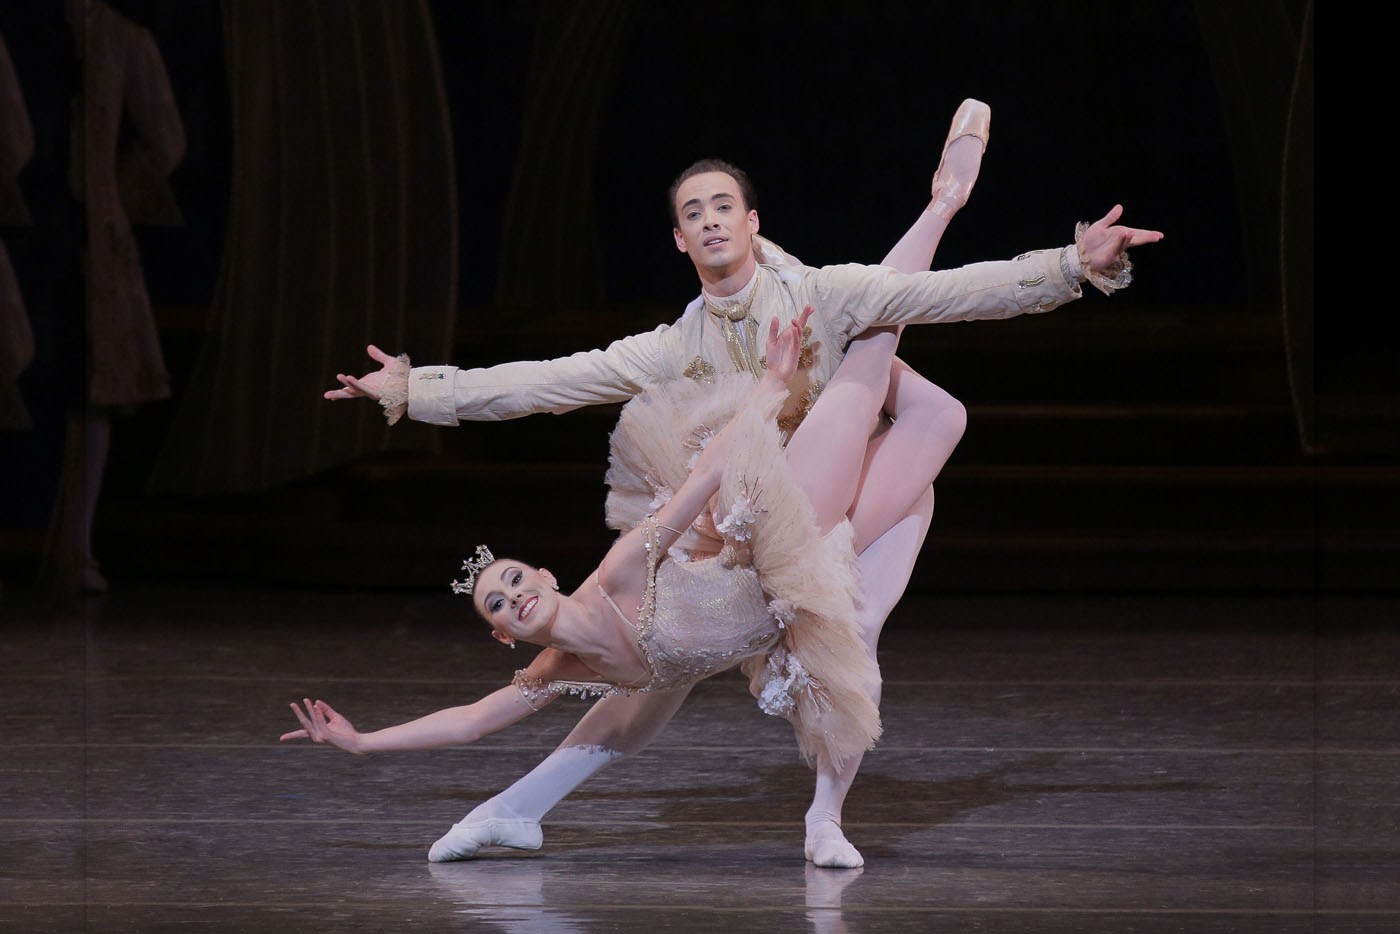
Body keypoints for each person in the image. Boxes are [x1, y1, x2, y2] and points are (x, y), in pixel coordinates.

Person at [323, 100, 1163, 866]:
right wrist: (415, 390)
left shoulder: (817, 293)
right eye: (693, 213)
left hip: (813, 489)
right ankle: (517, 807)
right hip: (736, 531)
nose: (710, 219)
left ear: (753, 224)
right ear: (678, 241)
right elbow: (543, 381)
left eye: (724, 205)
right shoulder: (674, 346)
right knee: (650, 670)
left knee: (892, 451)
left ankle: (825, 819)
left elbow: (944, 294)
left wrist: (1070, 266)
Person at [287, 307, 963, 857]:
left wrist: (767, 391)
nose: (515, 594)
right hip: (755, 622)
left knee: (914, 412)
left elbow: (703, 481)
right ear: (504, 634)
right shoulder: (560, 667)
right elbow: (470, 722)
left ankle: (824, 821)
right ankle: (513, 812)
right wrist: (361, 742)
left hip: (800, 551)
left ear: (547, 577)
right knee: (640, 703)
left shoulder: (620, 573)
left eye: (516, 577)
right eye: (500, 602)